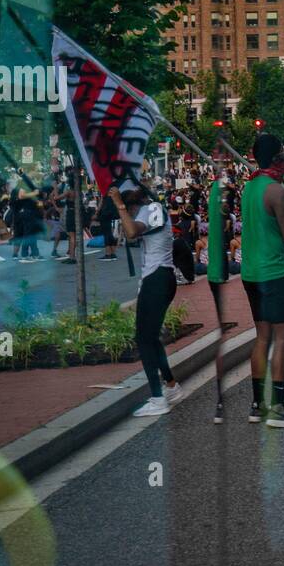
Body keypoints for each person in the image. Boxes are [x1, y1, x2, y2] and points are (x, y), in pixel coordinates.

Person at [241, 134, 284, 428]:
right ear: (277, 158)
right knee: (282, 338)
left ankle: (258, 405)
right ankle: (278, 408)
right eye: (282, 154)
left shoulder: (250, 187)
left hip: (250, 274)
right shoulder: (276, 192)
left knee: (262, 337)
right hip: (274, 272)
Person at [108, 179, 185, 417]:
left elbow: (131, 232)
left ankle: (157, 398)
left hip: (159, 278)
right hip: (155, 279)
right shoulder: (146, 210)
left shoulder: (152, 209)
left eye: (126, 202)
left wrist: (118, 204)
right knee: (150, 338)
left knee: (143, 339)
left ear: (133, 199)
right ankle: (170, 387)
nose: (126, 211)